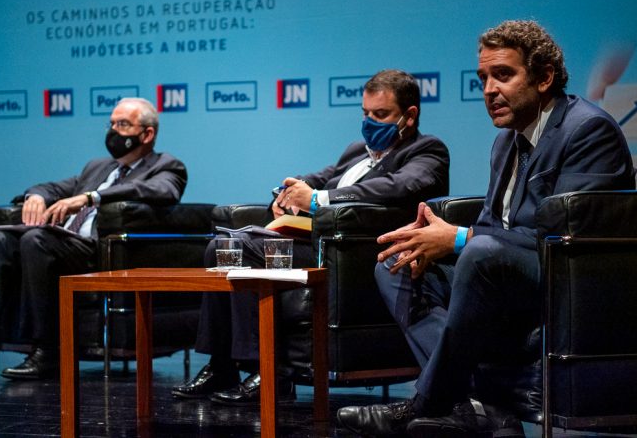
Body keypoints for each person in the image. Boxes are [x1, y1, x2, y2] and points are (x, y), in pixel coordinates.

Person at [337, 20, 636, 436]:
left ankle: (429, 401)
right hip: (506, 272)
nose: (489, 90)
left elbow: (568, 241)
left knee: (477, 252)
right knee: (397, 265)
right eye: (483, 79)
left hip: (567, 278)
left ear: (544, 77)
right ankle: (476, 404)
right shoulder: (505, 141)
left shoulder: (587, 130)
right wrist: (440, 238)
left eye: (503, 75)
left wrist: (459, 239)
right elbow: (493, 225)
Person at [171, 69, 450, 405]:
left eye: (380, 114)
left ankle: (268, 372)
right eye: (365, 113)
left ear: (410, 115)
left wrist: (318, 199)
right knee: (221, 247)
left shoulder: (427, 151)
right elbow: (319, 177)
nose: (369, 123)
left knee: (244, 250)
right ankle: (221, 366)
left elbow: (397, 187)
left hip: (351, 256)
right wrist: (287, 192)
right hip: (313, 245)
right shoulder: (357, 151)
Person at [0, 97, 187, 382]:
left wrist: (91, 197)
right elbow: (51, 187)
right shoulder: (98, 167)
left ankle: (48, 351)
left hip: (97, 251)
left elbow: (159, 191)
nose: (113, 131)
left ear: (147, 134)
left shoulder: (167, 166)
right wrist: (36, 196)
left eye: (122, 124)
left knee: (35, 239)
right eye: (111, 124)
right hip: (62, 241)